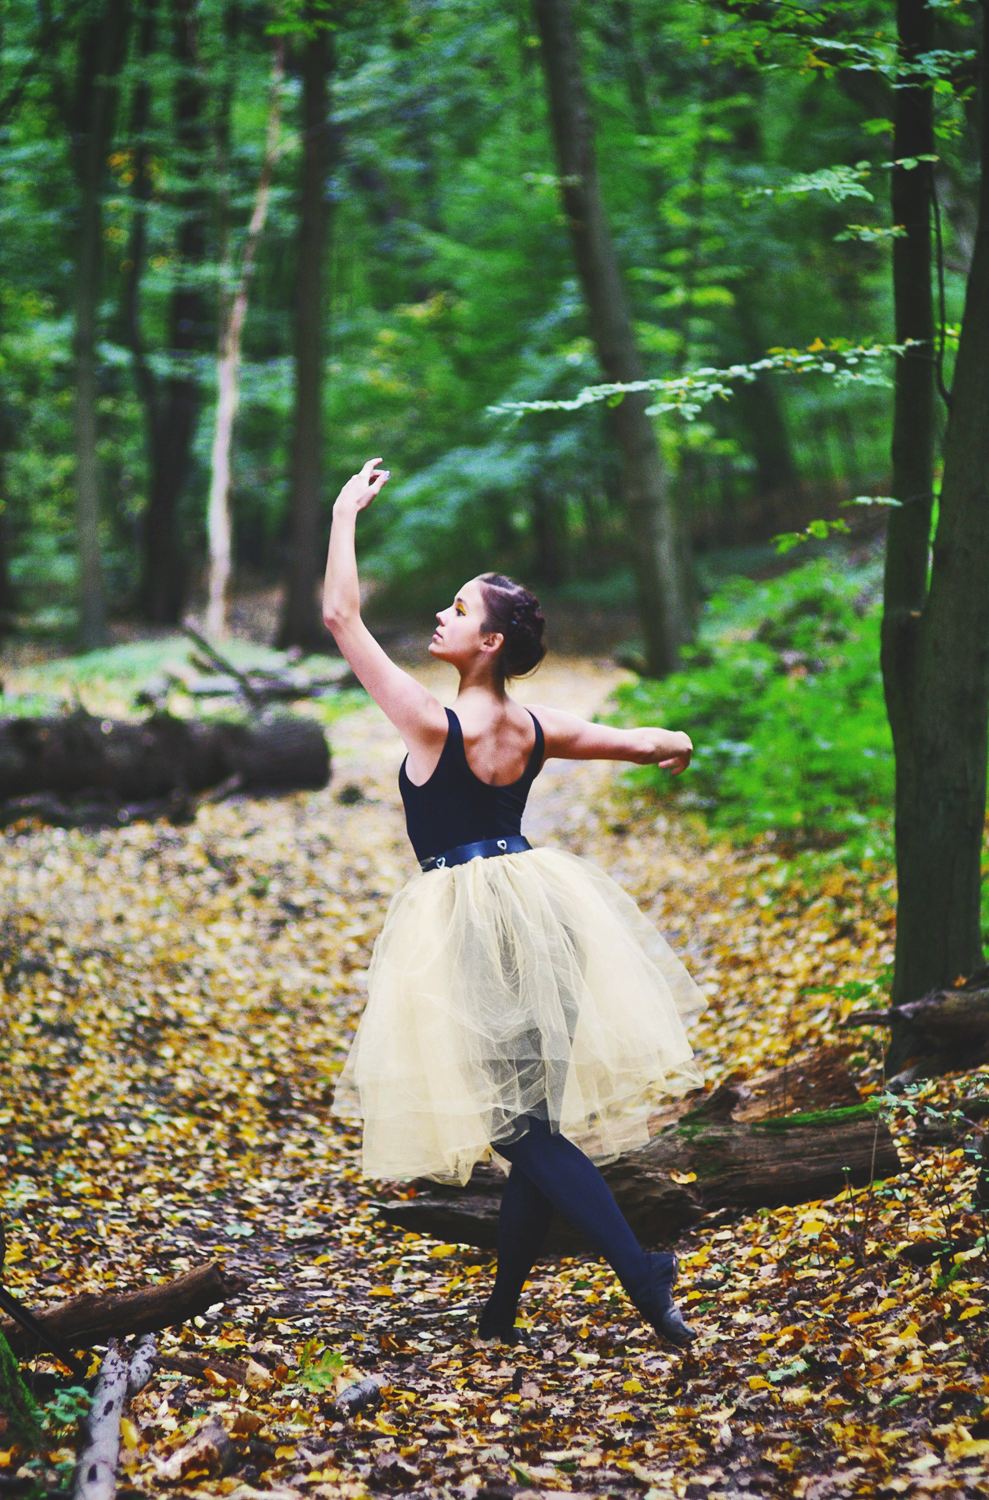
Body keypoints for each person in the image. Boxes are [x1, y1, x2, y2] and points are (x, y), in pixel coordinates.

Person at [326, 459, 707, 1348]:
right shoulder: (534, 730)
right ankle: (499, 1314)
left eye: (458, 609)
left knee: (517, 1129)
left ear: (489, 642)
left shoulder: (432, 723)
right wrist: (676, 741)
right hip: (545, 917)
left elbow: (341, 618)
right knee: (532, 1124)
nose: (442, 616)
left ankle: (640, 1271)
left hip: (471, 926)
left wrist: (345, 514)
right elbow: (642, 740)